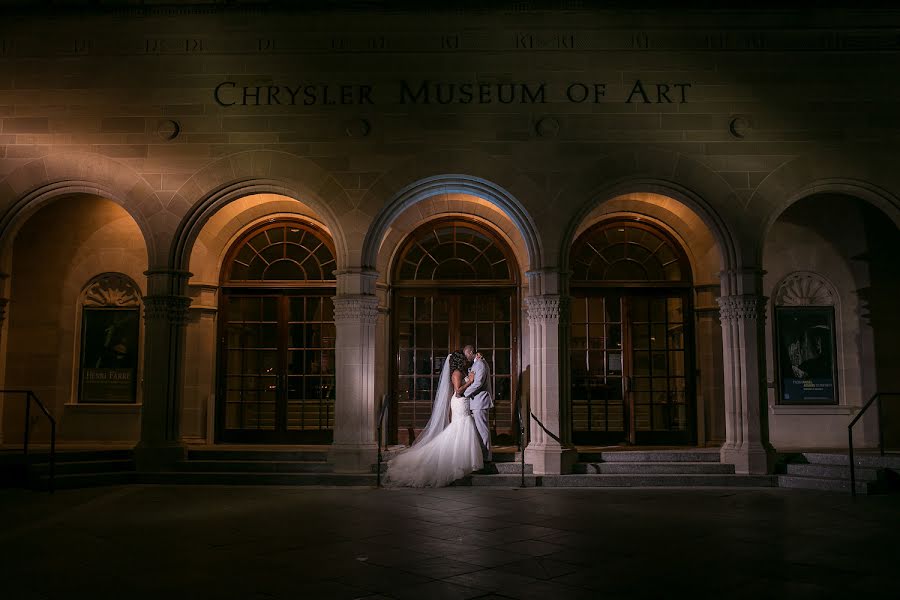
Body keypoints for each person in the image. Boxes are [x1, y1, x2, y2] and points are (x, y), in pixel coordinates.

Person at [384, 351, 484, 487]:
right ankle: (453, 462)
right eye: (464, 358)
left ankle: (460, 462)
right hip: (460, 403)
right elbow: (458, 390)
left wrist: (477, 360)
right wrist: (470, 381)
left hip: (464, 403)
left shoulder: (461, 371)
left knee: (463, 429)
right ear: (459, 360)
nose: (466, 359)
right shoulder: (456, 373)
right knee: (459, 428)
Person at [463, 344, 493, 463]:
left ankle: (486, 459)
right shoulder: (477, 363)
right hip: (477, 402)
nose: (466, 358)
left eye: (466, 355)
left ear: (470, 352)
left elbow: (478, 383)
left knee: (482, 431)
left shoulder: (480, 364)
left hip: (480, 402)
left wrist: (463, 394)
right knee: (479, 431)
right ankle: (482, 457)